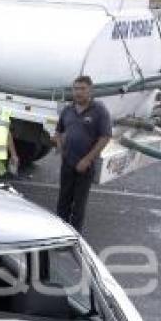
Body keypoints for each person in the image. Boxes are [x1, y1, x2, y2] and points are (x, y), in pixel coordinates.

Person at [55, 75, 112, 230]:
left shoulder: (99, 110)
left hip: (85, 165)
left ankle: (75, 238)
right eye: (75, 89)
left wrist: (87, 160)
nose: (78, 92)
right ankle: (60, 235)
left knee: (78, 205)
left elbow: (105, 137)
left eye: (82, 89)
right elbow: (58, 131)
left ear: (90, 90)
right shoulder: (68, 110)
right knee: (63, 201)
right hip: (67, 163)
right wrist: (61, 148)